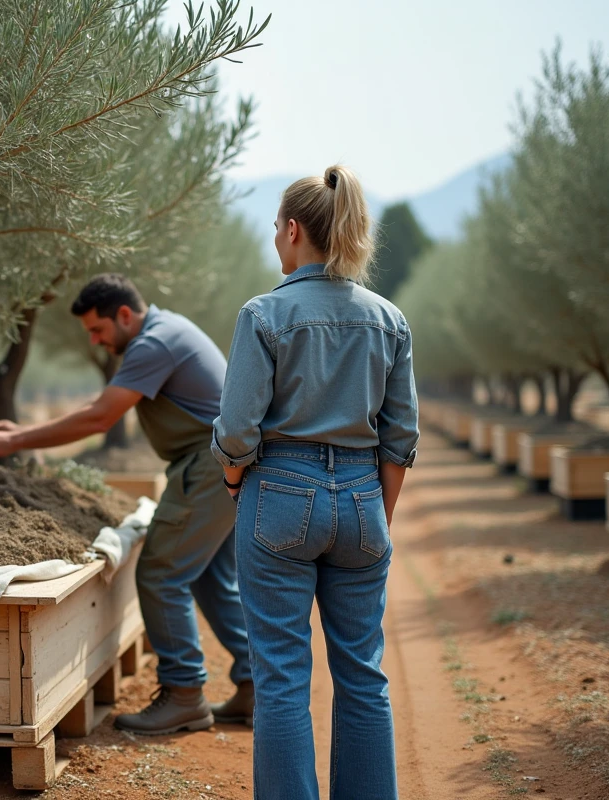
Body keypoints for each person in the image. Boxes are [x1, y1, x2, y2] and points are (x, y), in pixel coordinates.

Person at [212, 165, 419, 800]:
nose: (275, 240)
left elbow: (239, 430)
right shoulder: (390, 320)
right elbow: (401, 436)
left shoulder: (264, 314)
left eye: (277, 228)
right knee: (362, 674)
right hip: (362, 500)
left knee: (280, 678)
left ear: (294, 230)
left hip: (278, 496)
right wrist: (376, 511)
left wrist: (231, 480)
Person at [0, 275, 252, 734]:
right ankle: (254, 689)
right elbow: (100, 404)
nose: (95, 341)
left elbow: (101, 416)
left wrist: (16, 438)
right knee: (213, 580)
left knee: (161, 573)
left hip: (208, 464)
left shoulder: (153, 342)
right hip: (220, 463)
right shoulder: (165, 330)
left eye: (97, 330)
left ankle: (184, 695)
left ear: (124, 315)